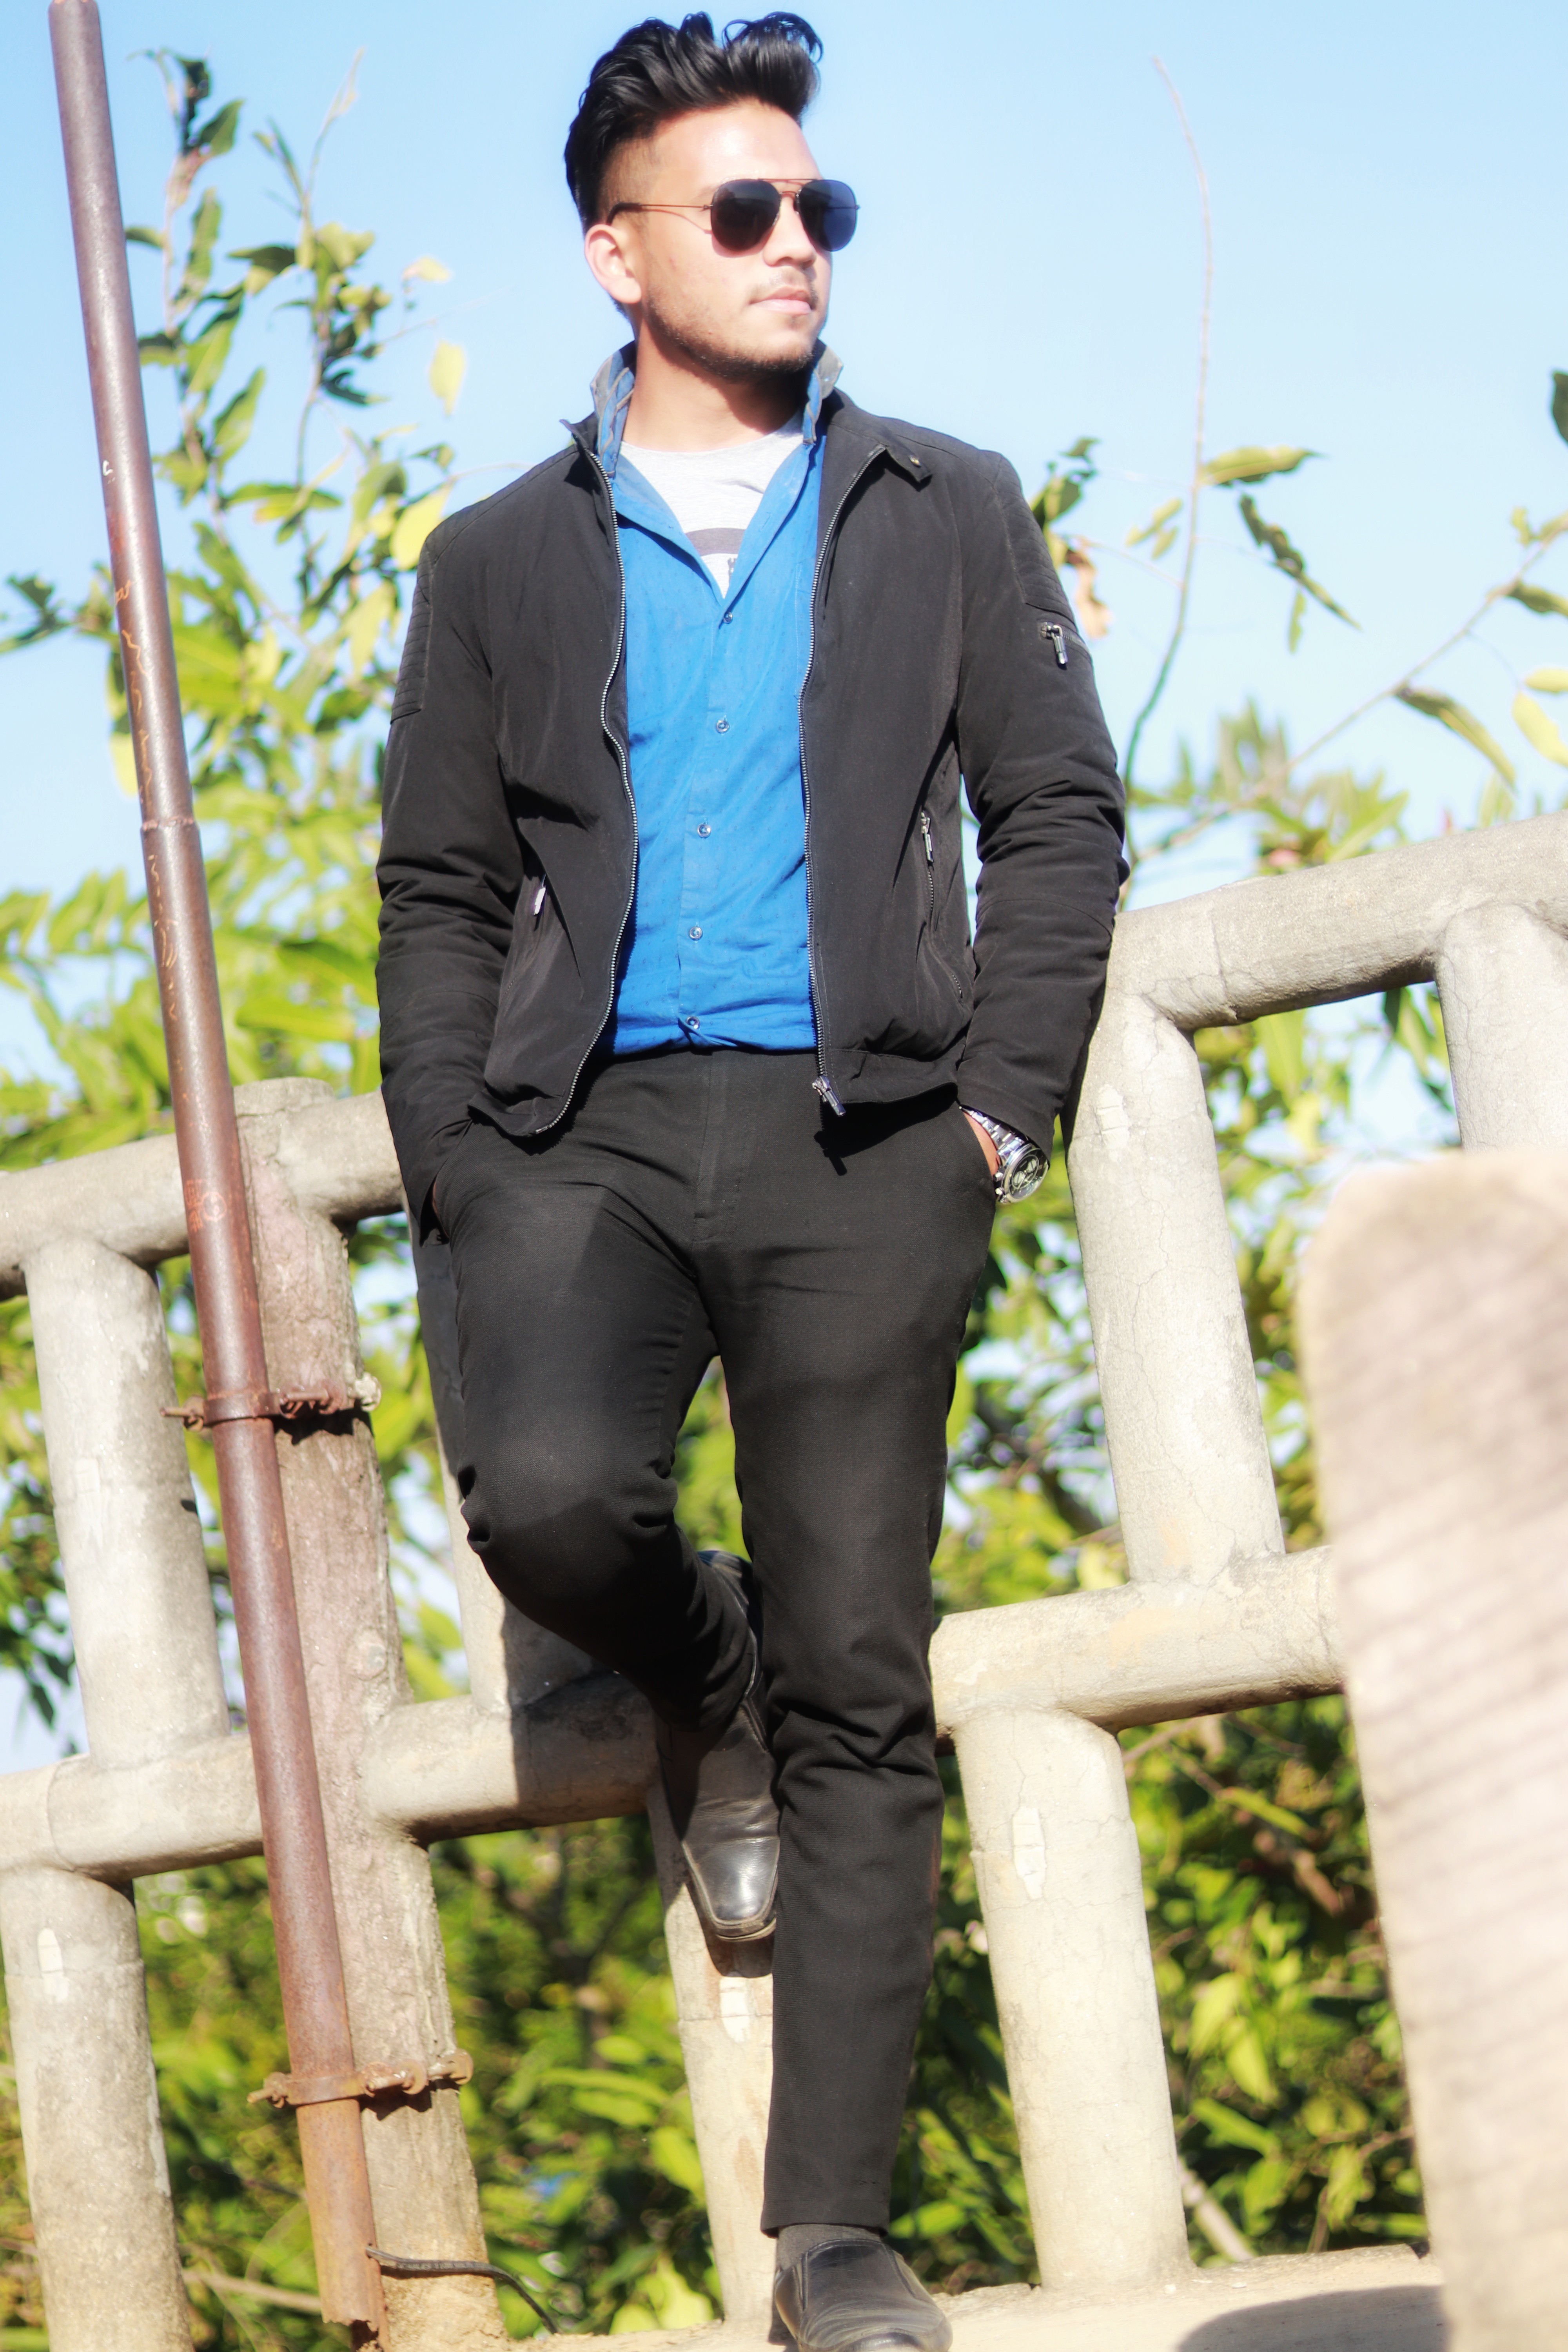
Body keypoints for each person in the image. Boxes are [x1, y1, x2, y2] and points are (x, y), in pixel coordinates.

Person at [377, 14, 1125, 2347]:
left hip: (868, 1134)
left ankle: (836, 2243)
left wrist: (999, 1112)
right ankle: (699, 1669)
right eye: (743, 210)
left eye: (821, 207)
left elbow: (1060, 817)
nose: (797, 242)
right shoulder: (497, 558)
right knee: (545, 1505)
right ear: (621, 258)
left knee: (865, 1671)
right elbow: (435, 887)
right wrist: (456, 1158)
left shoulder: (947, 504)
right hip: (581, 1135)